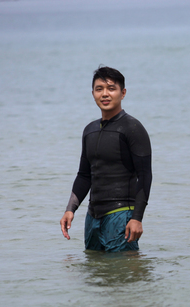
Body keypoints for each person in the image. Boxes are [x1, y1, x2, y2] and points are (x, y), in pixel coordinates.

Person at [60, 66, 152, 252]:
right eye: (99, 88)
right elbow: (84, 175)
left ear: (123, 93)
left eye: (111, 88)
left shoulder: (132, 128)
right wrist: (70, 209)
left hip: (121, 215)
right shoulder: (90, 130)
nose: (105, 94)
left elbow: (145, 175)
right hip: (92, 217)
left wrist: (137, 218)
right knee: (95, 272)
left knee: (124, 273)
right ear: (93, 93)